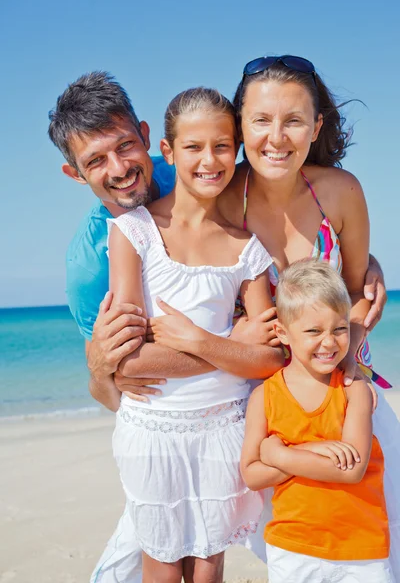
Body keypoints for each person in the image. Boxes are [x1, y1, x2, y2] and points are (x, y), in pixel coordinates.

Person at [47, 70, 389, 582]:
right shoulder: (97, 256)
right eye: (96, 160)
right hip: (187, 416)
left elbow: (295, 219)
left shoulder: (208, 174)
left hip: (256, 403)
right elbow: (117, 377)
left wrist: (358, 268)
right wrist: (107, 367)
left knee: (306, 541)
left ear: (148, 141)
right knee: (142, 553)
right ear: (75, 173)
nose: (119, 169)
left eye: (124, 147)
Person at [142, 54, 400, 577]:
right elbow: (155, 231)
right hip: (263, 406)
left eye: (294, 120)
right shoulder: (217, 197)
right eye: (260, 120)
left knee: (375, 540)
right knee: (288, 552)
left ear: (316, 126)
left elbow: (356, 288)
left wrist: (354, 328)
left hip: (346, 390)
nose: (276, 137)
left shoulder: (341, 191)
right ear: (240, 126)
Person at [107, 87, 282, 583]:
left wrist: (196, 339)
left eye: (223, 146)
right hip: (153, 429)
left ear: (237, 150)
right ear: (167, 151)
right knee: (161, 567)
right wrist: (232, 344)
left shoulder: (247, 248)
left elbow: (269, 359)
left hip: (223, 428)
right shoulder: (134, 232)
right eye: (194, 147)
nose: (210, 160)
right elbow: (128, 362)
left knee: (208, 570)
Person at [241, 259, 393, 583]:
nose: (329, 342)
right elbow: (252, 475)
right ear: (283, 332)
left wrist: (282, 455)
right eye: (313, 331)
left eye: (339, 329)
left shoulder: (354, 392)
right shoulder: (264, 397)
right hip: (293, 548)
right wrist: (319, 450)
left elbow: (352, 469)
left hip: (361, 549)